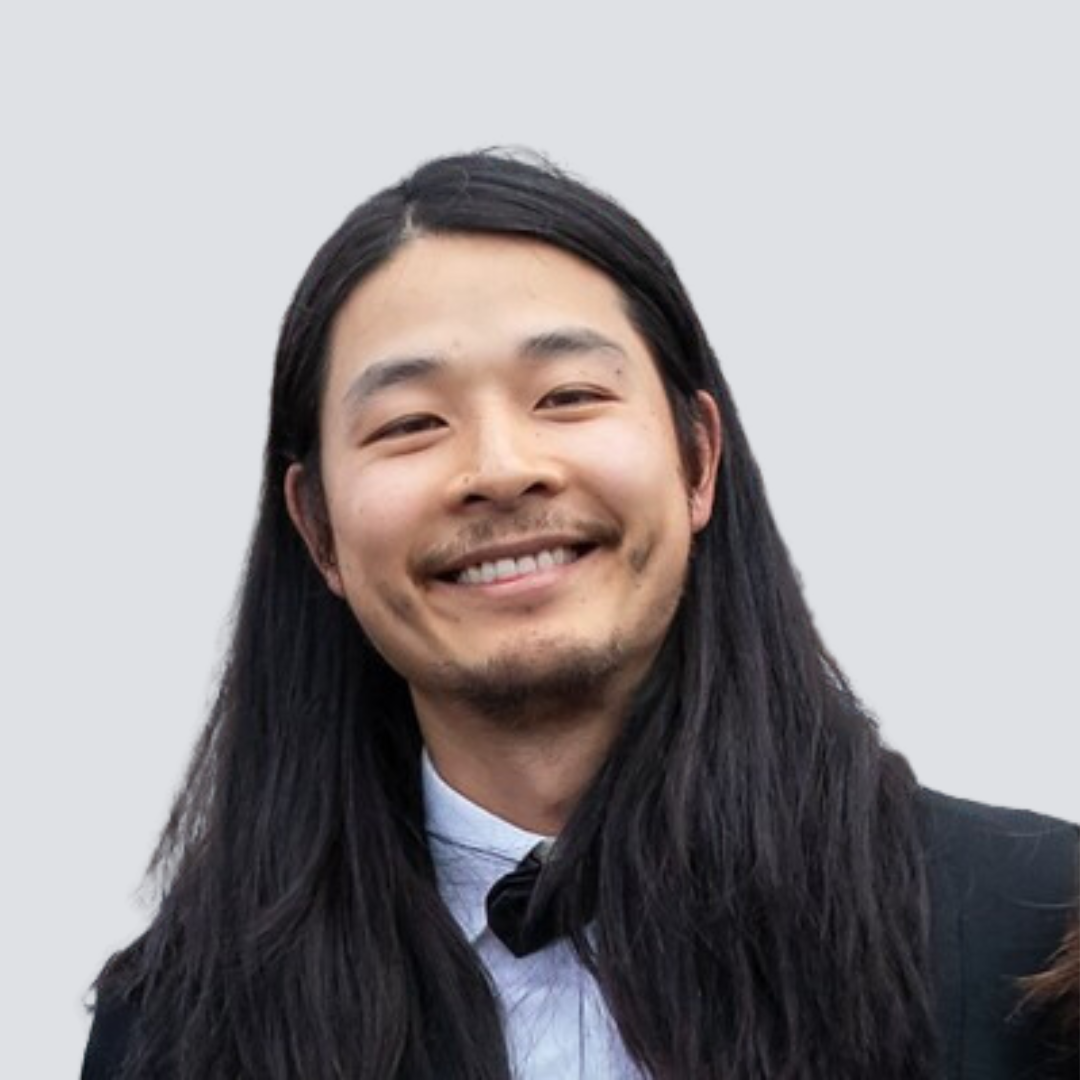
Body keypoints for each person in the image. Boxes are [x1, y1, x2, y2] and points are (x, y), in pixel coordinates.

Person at [83, 151, 1078, 1079]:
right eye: (411, 423)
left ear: (697, 459)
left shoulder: (1035, 935)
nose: (500, 468)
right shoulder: (173, 1027)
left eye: (566, 395)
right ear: (317, 529)